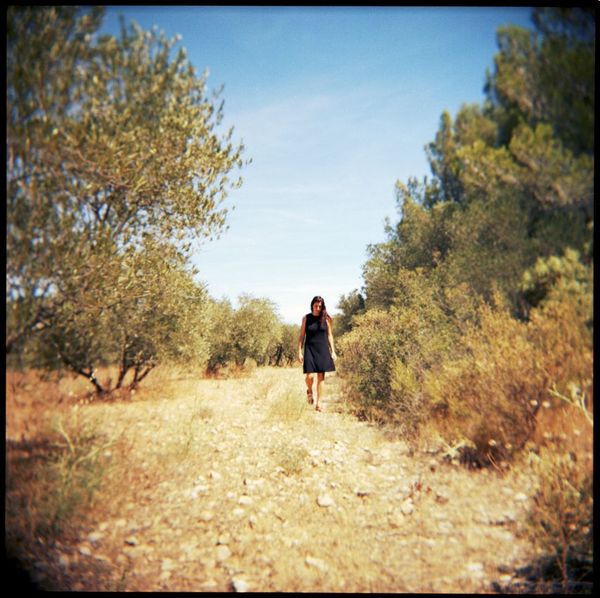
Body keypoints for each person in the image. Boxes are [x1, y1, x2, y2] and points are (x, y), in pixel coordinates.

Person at [298, 296, 337, 412]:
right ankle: (309, 391)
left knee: (321, 377)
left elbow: (330, 335)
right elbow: (301, 336)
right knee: (309, 376)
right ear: (312, 305)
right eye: (316, 305)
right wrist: (299, 351)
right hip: (309, 348)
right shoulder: (306, 318)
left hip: (323, 349)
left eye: (320, 306)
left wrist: (333, 351)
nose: (318, 308)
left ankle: (319, 403)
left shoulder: (325, 319)